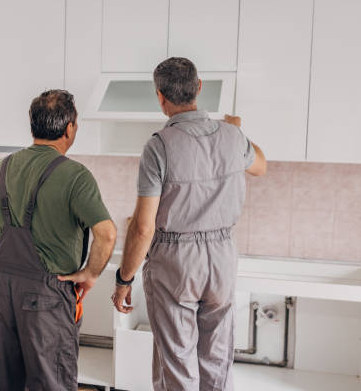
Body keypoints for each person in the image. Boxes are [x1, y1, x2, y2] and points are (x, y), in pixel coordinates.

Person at [111, 57, 267, 391]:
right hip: (223, 256)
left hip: (176, 261)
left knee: (177, 362)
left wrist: (124, 278)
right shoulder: (233, 136)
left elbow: (143, 227)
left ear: (160, 97)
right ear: (199, 88)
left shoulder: (159, 146)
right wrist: (237, 131)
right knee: (218, 357)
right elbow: (261, 166)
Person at [0, 89, 116, 391]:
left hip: (2, 290)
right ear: (69, 128)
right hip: (47, 294)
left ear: (33, 125)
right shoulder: (75, 175)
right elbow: (107, 234)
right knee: (52, 382)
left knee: (4, 381)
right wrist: (91, 274)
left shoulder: (2, 167)